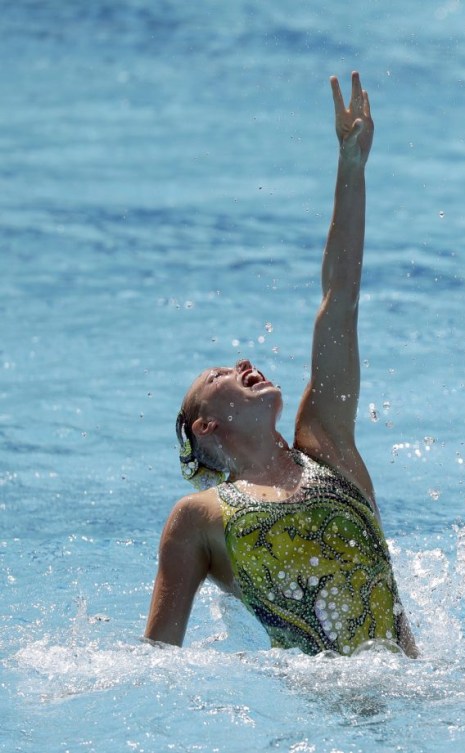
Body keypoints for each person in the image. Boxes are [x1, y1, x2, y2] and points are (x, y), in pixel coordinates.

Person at [145, 72, 417, 658]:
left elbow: (339, 300)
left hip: (418, 695)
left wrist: (352, 167)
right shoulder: (197, 518)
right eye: (217, 375)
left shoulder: (327, 446)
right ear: (205, 427)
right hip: (323, 724)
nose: (241, 361)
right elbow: (156, 663)